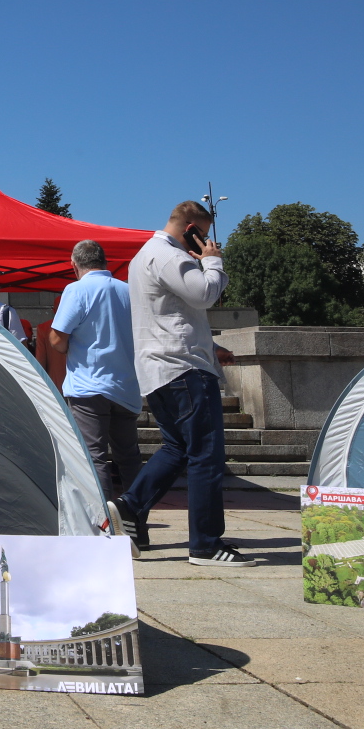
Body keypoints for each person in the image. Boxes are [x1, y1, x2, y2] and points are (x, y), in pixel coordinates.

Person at [110, 202, 256, 567]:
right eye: (203, 235)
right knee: (206, 455)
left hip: (159, 369)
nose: (205, 241)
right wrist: (213, 260)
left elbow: (170, 315)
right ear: (191, 228)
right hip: (184, 369)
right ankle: (205, 544)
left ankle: (130, 505)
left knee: (177, 447)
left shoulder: (143, 257)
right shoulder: (169, 256)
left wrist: (211, 345)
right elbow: (206, 294)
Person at [45, 240, 145, 537]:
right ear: (106, 261)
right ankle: (138, 524)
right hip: (126, 386)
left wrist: (67, 346)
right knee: (129, 459)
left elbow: (56, 337)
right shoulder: (128, 290)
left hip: (89, 386)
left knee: (95, 457)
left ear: (73, 264)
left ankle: (105, 529)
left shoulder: (77, 290)